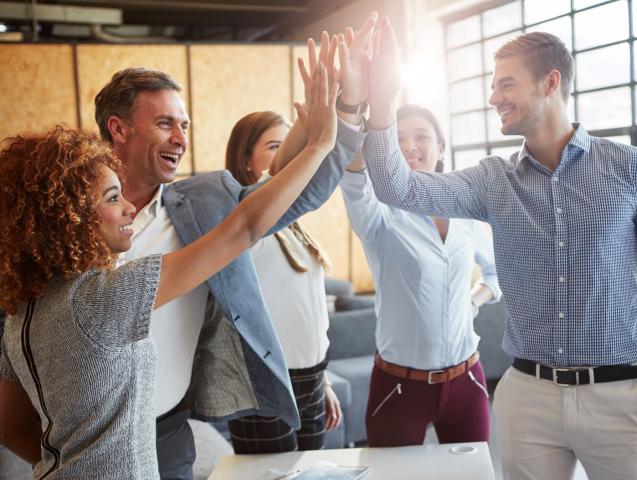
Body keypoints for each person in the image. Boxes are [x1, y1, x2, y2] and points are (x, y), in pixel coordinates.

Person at [364, 21, 637, 479]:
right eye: (492, 86)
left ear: (551, 83)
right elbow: (395, 187)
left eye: (506, 84)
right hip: (527, 397)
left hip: (616, 397)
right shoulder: (491, 180)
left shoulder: (633, 170)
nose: (493, 98)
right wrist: (381, 99)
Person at [0, 63, 339, 479]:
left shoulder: (24, 304)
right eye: (110, 197)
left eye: (185, 124)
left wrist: (70, 459)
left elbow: (8, 420)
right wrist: (320, 142)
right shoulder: (103, 297)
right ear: (68, 215)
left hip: (130, 444)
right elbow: (244, 228)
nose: (125, 205)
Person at [93, 14, 375, 477]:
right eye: (165, 123)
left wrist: (348, 107)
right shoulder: (65, 219)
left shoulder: (203, 204)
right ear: (118, 129)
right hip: (89, 437)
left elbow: (301, 191)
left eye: (184, 125)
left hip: (167, 432)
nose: (182, 139)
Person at [339, 103, 501, 447]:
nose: (410, 146)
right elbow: (354, 182)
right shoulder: (380, 214)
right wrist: (357, 119)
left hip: (466, 380)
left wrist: (474, 300)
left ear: (440, 147)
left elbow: (494, 270)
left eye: (421, 136)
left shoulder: (464, 209)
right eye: (397, 139)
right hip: (399, 386)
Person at [223, 111, 342, 452]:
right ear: (247, 161)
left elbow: (311, 312)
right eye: (277, 145)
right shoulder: (240, 219)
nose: (290, 154)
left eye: (294, 144)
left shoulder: (294, 223)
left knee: (309, 472)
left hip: (311, 377)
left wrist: (325, 381)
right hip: (265, 382)